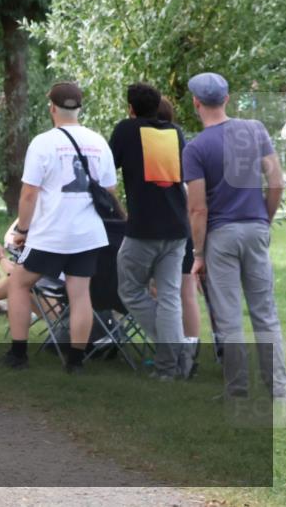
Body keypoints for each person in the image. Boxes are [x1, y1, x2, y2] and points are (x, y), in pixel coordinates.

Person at [182, 72, 286, 399]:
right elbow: (277, 182)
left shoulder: (195, 148)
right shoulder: (255, 131)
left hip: (221, 236)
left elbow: (198, 209)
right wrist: (263, 219)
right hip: (255, 228)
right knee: (265, 312)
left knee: (228, 316)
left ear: (196, 102)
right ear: (226, 99)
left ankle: (237, 389)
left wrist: (198, 255)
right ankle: (280, 392)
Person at [2, 82, 120, 373]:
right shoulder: (98, 141)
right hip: (87, 232)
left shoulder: (43, 142)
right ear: (79, 108)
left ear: (51, 107)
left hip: (51, 232)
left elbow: (29, 194)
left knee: (19, 282)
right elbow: (110, 191)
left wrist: (22, 231)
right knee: (80, 293)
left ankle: (18, 354)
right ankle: (76, 362)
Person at [109, 83, 192, 379]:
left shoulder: (126, 130)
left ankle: (174, 353)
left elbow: (108, 168)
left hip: (144, 227)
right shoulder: (174, 132)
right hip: (177, 226)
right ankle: (171, 365)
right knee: (169, 296)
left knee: (129, 289)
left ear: (130, 108)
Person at [157, 97, 201, 345]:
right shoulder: (181, 152)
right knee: (187, 291)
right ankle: (191, 344)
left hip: (169, 231)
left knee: (175, 290)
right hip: (185, 231)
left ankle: (175, 341)